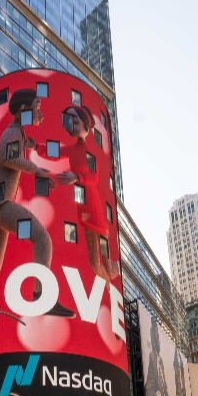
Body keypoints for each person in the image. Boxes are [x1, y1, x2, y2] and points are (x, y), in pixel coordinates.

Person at [0, 88, 74, 351]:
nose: (41, 111)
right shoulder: (12, 133)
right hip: (1, 206)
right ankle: (40, 295)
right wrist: (37, 169)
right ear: (24, 111)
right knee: (42, 238)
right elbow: (6, 157)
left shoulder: (16, 134)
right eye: (37, 105)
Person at [56, 104, 117, 282]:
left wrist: (75, 176)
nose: (69, 124)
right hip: (84, 212)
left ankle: (114, 274)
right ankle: (106, 288)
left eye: (74, 120)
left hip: (95, 211)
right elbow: (55, 152)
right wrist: (35, 146)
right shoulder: (74, 148)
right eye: (68, 120)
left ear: (86, 126)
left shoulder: (89, 150)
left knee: (106, 267)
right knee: (96, 266)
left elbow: (93, 177)